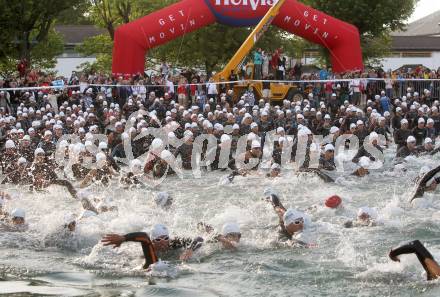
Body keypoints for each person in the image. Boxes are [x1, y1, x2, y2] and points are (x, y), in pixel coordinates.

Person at [101, 224, 204, 269]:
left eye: (165, 238)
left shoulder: (173, 243)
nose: (163, 242)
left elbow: (199, 238)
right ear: (153, 241)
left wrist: (190, 250)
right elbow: (143, 236)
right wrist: (123, 239)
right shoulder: (149, 251)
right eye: (158, 239)